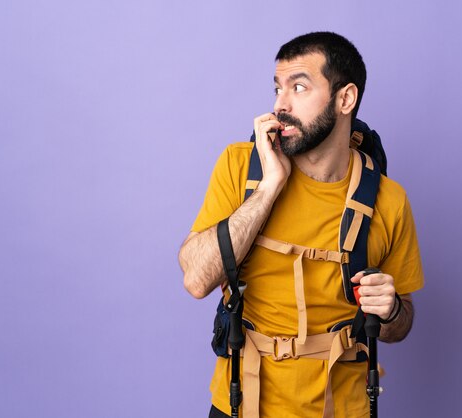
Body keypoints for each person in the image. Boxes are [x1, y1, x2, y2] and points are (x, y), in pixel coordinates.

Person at [178, 32, 424, 418]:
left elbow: (401, 323)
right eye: (278, 88)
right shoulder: (241, 166)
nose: (280, 104)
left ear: (345, 99)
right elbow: (196, 278)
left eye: (298, 87)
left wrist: (391, 310)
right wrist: (270, 188)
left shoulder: (389, 200)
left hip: (343, 409)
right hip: (241, 405)